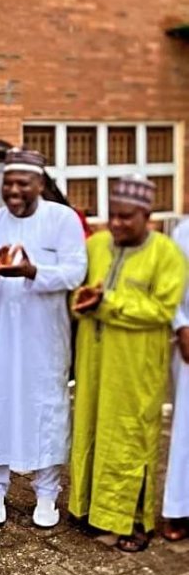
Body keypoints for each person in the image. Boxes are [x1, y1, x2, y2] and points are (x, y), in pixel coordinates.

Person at [0, 148, 87, 528]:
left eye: (22, 183)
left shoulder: (62, 219)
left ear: (40, 185)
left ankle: (46, 495)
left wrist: (34, 270)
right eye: (8, 183)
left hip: (44, 339)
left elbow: (75, 272)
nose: (13, 190)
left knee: (45, 409)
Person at [69, 175, 186, 553]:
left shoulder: (166, 253)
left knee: (131, 439)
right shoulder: (96, 244)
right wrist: (83, 299)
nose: (116, 224)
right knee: (90, 430)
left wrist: (108, 303)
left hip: (136, 367)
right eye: (112, 216)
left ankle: (136, 523)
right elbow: (77, 290)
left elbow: (161, 309)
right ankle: (90, 511)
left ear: (147, 216)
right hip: (94, 359)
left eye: (125, 217)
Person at [162, 218, 189, 542]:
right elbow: (174, 288)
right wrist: (181, 326)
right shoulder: (185, 231)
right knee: (185, 426)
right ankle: (180, 509)